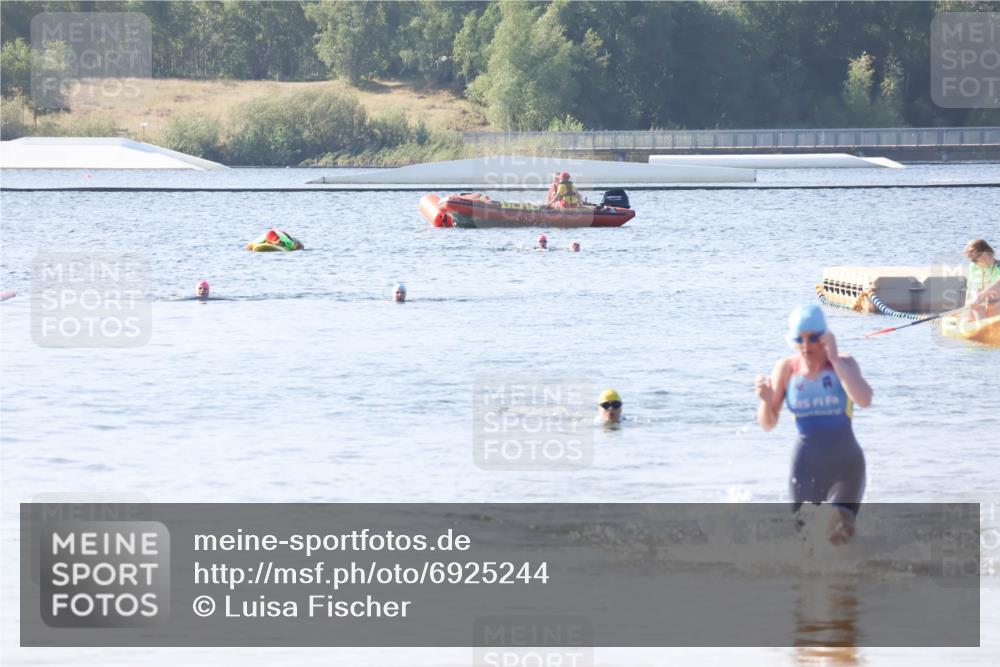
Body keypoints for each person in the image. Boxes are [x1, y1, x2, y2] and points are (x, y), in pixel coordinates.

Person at [754, 304, 873, 545]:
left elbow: (864, 399)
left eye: (813, 338)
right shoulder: (787, 369)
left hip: (845, 467)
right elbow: (768, 424)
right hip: (805, 467)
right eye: (800, 339)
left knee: (838, 536)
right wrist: (766, 401)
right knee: (807, 546)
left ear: (825, 337)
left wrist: (835, 360)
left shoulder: (844, 364)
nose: (806, 345)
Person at [964, 239, 999, 319]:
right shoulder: (973, 267)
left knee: (987, 295)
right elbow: (970, 290)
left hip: (996, 304)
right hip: (979, 305)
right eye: (972, 260)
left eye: (975, 259)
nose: (974, 262)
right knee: (975, 292)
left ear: (985, 253)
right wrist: (967, 307)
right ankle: (974, 321)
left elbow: (998, 284)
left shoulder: (998, 268)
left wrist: (980, 297)